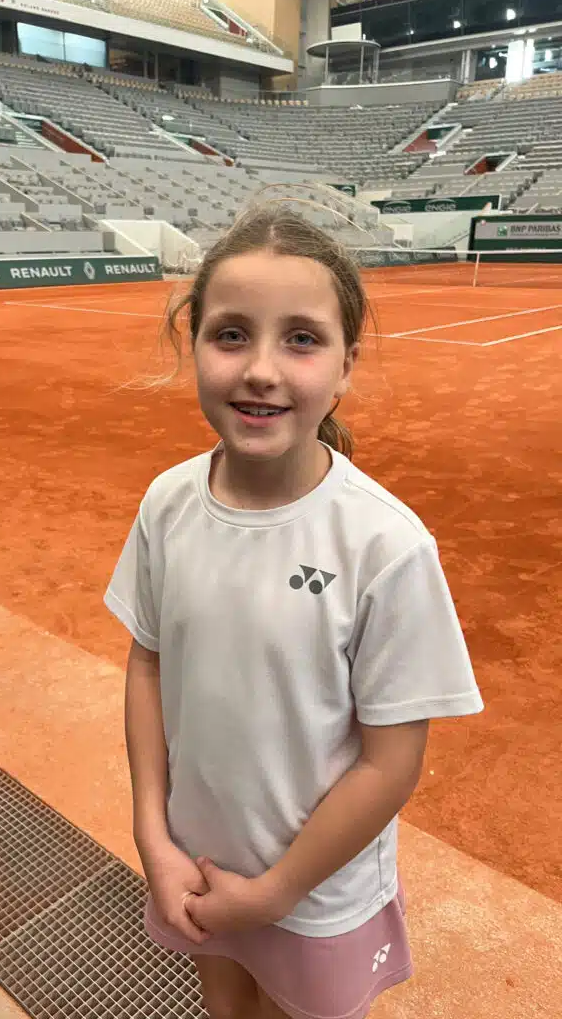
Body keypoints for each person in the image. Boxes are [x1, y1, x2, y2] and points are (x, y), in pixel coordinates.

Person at [104, 203, 484, 1019]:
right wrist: (153, 838)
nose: (260, 370)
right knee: (225, 1007)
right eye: (231, 335)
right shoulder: (167, 503)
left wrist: (276, 890)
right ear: (192, 344)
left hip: (314, 894)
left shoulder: (384, 545)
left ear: (347, 365)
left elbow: (390, 764)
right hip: (197, 866)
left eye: (302, 339)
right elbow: (148, 661)